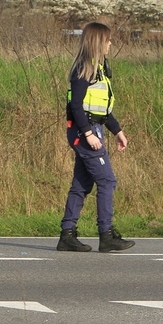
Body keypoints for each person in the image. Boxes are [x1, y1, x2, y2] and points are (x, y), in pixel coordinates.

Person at [56, 21, 135, 253]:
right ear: (99, 42)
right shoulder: (84, 69)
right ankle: (106, 234)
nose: (111, 44)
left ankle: (67, 235)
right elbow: (76, 105)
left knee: (81, 184)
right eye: (108, 40)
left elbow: (100, 110)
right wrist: (88, 133)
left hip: (92, 128)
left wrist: (117, 131)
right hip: (85, 132)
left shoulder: (99, 69)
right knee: (107, 181)